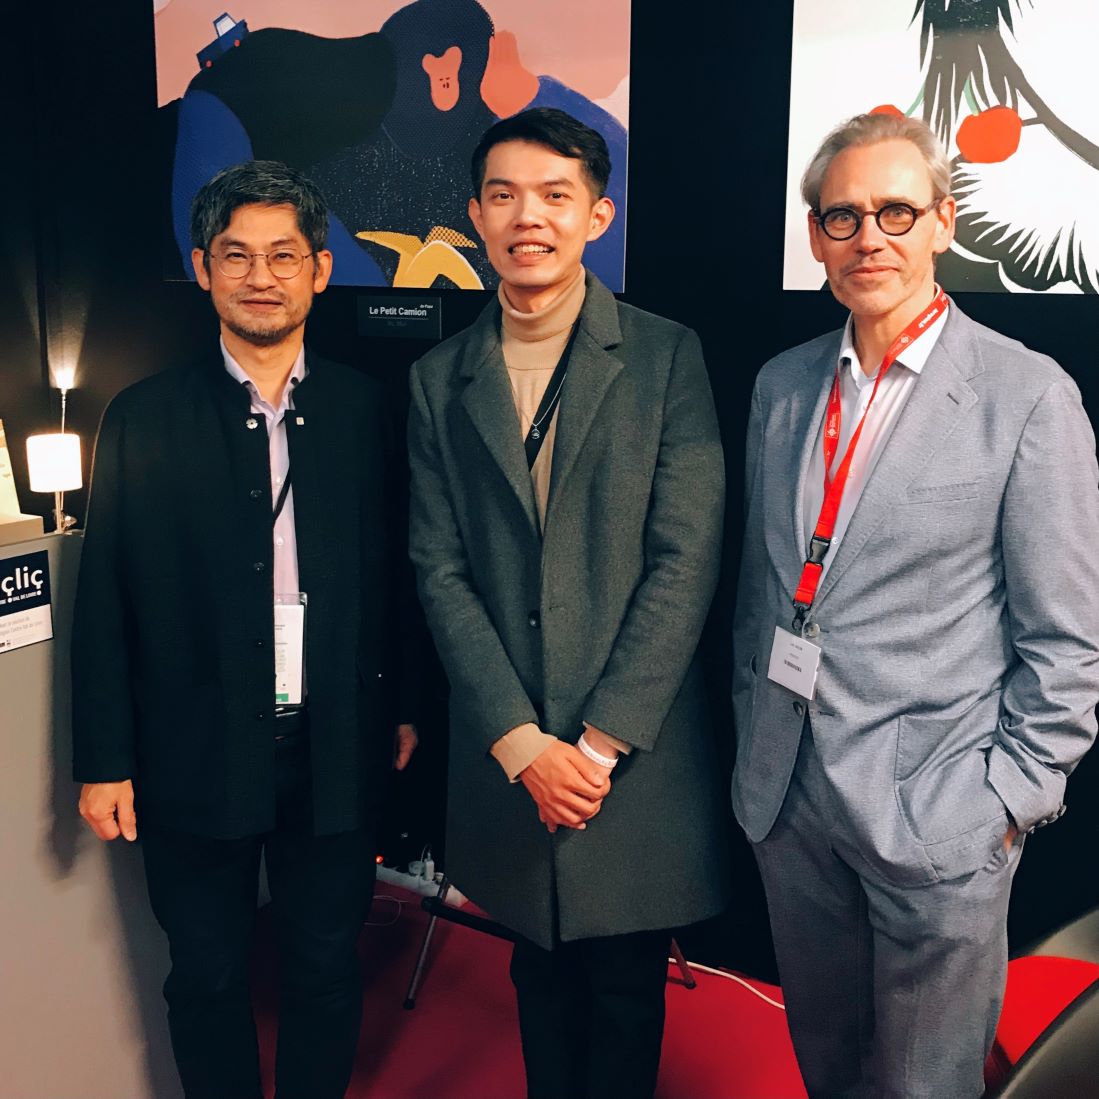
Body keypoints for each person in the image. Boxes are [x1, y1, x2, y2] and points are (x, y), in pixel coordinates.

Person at [731, 112, 1099, 1099]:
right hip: (789, 796)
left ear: (942, 220)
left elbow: (1066, 640)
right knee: (829, 1066)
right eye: (842, 216)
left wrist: (1004, 806)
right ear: (813, 235)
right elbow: (763, 593)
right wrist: (757, 754)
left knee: (924, 1087)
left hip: (936, 813)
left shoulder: (1027, 395)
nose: (869, 239)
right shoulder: (782, 385)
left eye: (896, 211)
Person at [72, 160, 417, 1099]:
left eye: (283, 255)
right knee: (209, 974)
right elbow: (102, 601)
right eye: (236, 256)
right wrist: (103, 759)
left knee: (323, 966)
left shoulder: (362, 409)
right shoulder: (141, 417)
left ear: (318, 269)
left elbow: (401, 574)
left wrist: (405, 706)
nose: (260, 276)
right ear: (201, 269)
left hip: (333, 742)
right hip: (189, 745)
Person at [406, 107, 729, 1099]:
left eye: (554, 195)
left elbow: (684, 558)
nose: (527, 217)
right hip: (509, 756)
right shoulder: (436, 377)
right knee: (536, 977)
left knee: (625, 991)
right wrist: (517, 741)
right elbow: (439, 565)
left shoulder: (666, 356)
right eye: (503, 195)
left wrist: (590, 750)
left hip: (623, 758)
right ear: (473, 215)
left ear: (598, 213)